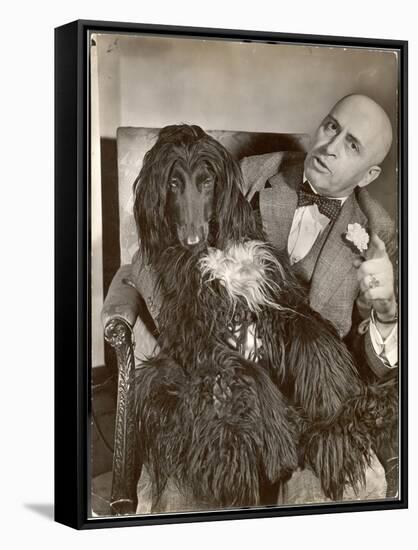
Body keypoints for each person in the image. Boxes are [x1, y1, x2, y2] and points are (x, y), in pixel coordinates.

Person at [241, 93, 398, 500]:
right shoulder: (254, 174)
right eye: (332, 127)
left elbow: (370, 367)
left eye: (352, 145)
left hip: (311, 403)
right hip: (238, 378)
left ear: (368, 175)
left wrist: (384, 311)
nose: (329, 147)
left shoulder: (380, 233)